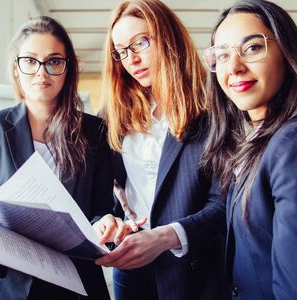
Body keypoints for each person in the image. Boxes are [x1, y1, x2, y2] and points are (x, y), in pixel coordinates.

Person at [0, 16, 113, 300]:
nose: (41, 72)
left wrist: (103, 223)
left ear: (68, 69)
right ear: (16, 68)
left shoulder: (95, 132)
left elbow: (103, 208)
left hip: (76, 285)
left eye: (54, 61)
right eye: (30, 61)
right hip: (9, 286)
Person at [93, 0, 229, 299]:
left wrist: (167, 236)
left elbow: (224, 204)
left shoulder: (214, 107)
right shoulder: (112, 116)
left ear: (168, 37)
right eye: (121, 51)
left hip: (197, 269)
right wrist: (108, 222)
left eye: (140, 42)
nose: (131, 59)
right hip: (132, 267)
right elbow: (100, 199)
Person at [201, 0, 297, 299]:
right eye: (223, 55)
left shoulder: (295, 141)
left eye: (252, 48)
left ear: (287, 53)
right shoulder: (260, 139)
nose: (235, 67)